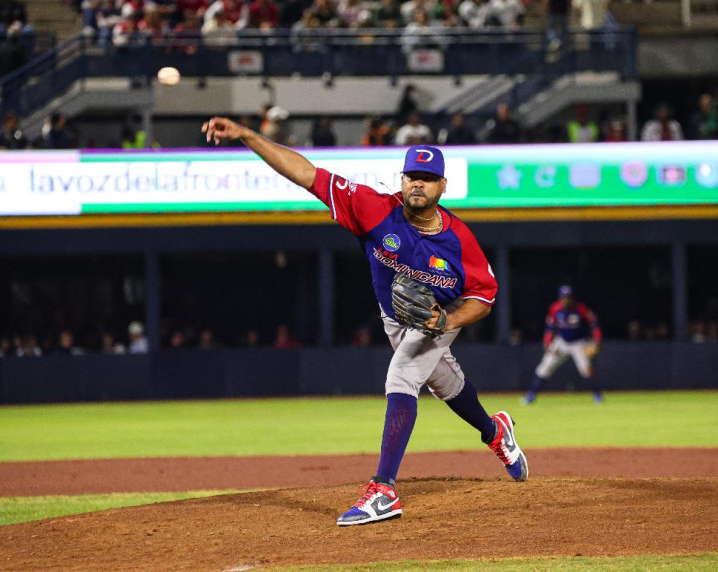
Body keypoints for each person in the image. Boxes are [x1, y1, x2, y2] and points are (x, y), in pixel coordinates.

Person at [201, 116, 528, 527]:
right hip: (394, 317)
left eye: (428, 178)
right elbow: (307, 174)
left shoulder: (460, 240)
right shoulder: (375, 209)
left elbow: (484, 297)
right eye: (413, 176)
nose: (418, 185)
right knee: (443, 382)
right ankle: (495, 432)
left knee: (402, 377)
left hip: (439, 316)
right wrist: (248, 135)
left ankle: (384, 490)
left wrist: (446, 322)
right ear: (402, 178)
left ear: (444, 187)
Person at [522, 285, 603, 405]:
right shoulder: (555, 309)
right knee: (544, 367)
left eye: (568, 297)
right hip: (561, 342)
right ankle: (531, 396)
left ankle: (597, 395)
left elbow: (594, 324)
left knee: (587, 370)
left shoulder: (581, 309)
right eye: (564, 298)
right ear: (559, 299)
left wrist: (597, 340)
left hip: (579, 343)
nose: (566, 300)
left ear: (572, 298)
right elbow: (550, 328)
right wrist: (547, 343)